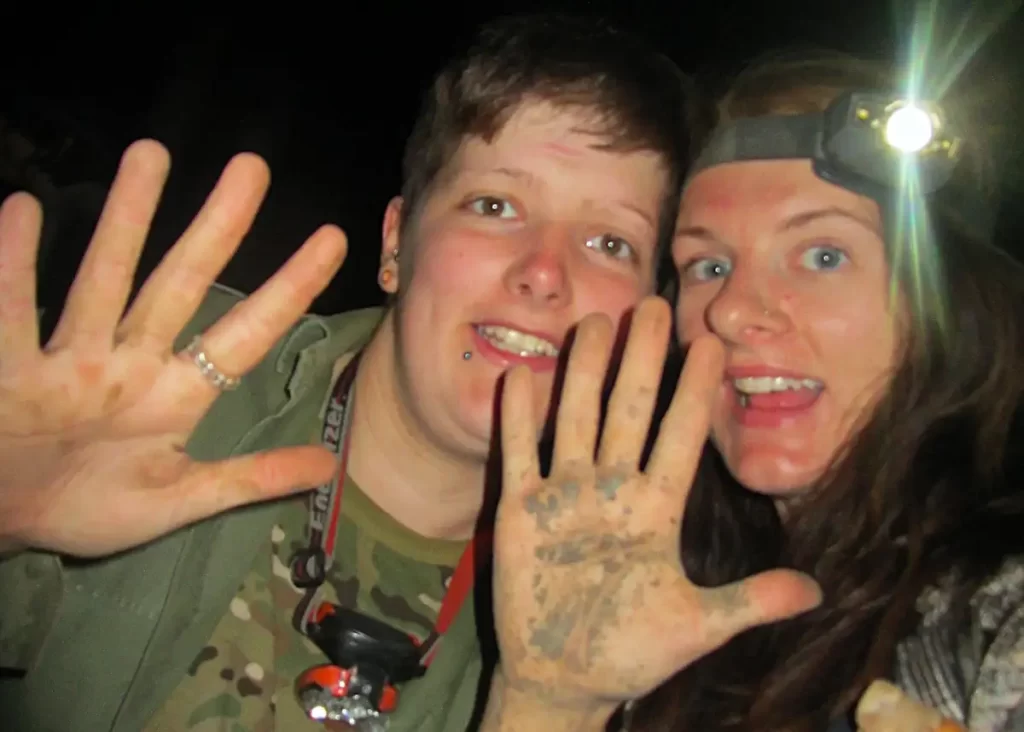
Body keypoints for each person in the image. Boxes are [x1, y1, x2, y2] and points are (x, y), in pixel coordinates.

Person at [0, 13, 705, 732]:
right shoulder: (156, 381)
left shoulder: (629, 606)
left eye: (609, 241)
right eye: (495, 205)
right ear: (396, 239)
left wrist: (547, 712)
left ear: (652, 309)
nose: (545, 273)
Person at [471, 51, 1024, 732]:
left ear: (951, 300)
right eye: (708, 265)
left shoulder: (998, 615)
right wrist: (547, 705)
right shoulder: (661, 593)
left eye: (824, 256)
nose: (731, 311)